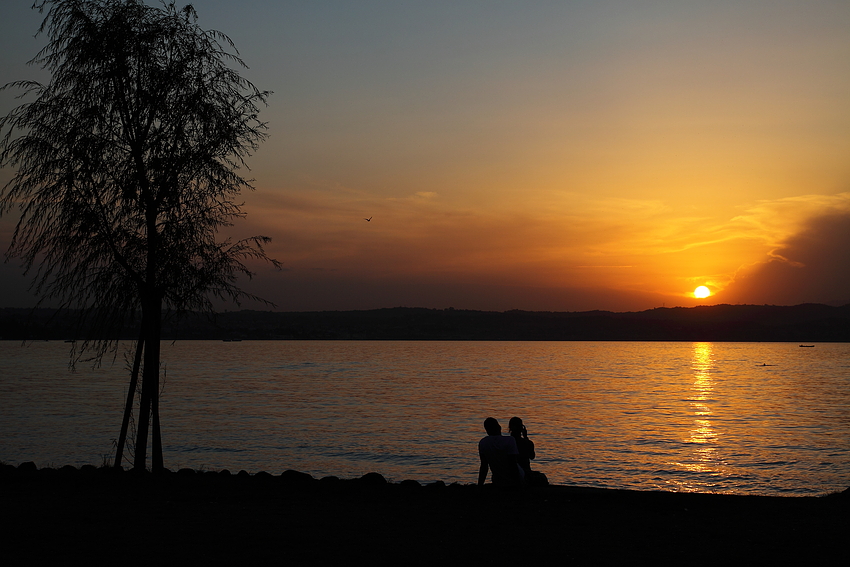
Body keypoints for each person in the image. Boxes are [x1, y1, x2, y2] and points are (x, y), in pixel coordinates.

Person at [478, 417, 523, 487]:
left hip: (497, 480)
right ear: (499, 427)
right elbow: (513, 464)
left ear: (487, 430)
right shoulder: (510, 440)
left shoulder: (483, 443)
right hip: (513, 479)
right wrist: (518, 484)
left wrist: (480, 484)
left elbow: (484, 466)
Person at [509, 416, 548, 486]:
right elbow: (532, 456)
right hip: (525, 474)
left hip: (509, 474)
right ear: (522, 428)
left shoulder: (507, 442)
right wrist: (526, 437)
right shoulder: (527, 443)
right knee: (542, 477)